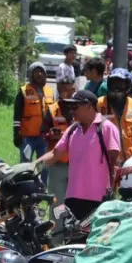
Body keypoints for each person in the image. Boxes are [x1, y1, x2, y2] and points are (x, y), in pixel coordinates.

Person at [37, 90, 121, 221]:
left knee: (94, 239)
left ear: (89, 106)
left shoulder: (107, 128)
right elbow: (55, 154)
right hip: (73, 198)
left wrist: (112, 194)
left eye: (75, 106)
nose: (72, 111)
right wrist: (32, 166)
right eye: (71, 107)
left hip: (99, 200)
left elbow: (114, 162)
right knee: (72, 238)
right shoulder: (72, 130)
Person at [99, 68, 132, 162]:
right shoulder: (99, 104)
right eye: (114, 83)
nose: (116, 88)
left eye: (120, 84)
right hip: (108, 160)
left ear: (127, 85)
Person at [41, 76, 77, 209]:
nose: (65, 92)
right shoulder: (52, 110)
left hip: (77, 164)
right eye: (62, 89)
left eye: (68, 89)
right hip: (58, 164)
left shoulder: (81, 108)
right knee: (57, 203)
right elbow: (43, 132)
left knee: (76, 202)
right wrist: (51, 135)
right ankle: (57, 230)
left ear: (73, 89)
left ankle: (75, 230)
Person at [13, 62, 55, 164]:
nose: (39, 74)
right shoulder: (23, 91)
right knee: (26, 166)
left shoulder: (50, 91)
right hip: (27, 137)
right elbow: (17, 116)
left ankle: (42, 181)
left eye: (42, 71)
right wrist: (16, 134)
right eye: (36, 72)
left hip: (44, 137)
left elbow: (53, 114)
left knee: (45, 166)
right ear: (31, 74)